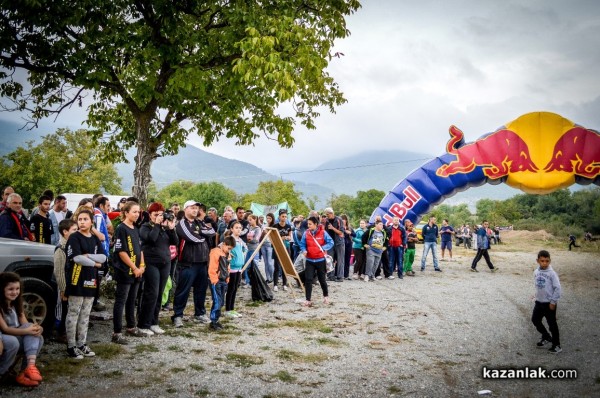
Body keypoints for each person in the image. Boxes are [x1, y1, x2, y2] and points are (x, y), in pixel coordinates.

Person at [64, 208, 105, 358]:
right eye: (79, 219)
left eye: (85, 219)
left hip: (91, 280)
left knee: (86, 313)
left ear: (91, 221)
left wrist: (89, 256)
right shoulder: (74, 237)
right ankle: (71, 346)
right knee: (74, 312)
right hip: (76, 279)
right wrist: (94, 264)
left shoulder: (94, 238)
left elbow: (103, 257)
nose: (82, 222)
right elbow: (77, 258)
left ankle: (82, 343)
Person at [172, 201, 215, 328]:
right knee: (183, 290)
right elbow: (192, 238)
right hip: (188, 263)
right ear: (185, 209)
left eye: (197, 208)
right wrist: (202, 234)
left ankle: (200, 313)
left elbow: (212, 231)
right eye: (192, 208)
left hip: (202, 262)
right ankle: (178, 315)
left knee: (201, 290)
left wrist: (200, 231)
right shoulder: (182, 223)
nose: (195, 210)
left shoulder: (199, 222)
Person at [138, 202, 178, 335]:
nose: (159, 217)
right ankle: (144, 324)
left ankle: (154, 322)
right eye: (156, 214)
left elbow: (175, 242)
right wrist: (156, 224)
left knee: (160, 293)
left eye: (161, 214)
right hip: (151, 263)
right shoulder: (145, 227)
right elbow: (151, 239)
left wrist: (171, 229)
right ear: (150, 215)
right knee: (151, 293)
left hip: (165, 263)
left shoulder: (163, 228)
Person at [0, 272, 44, 387]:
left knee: (38, 336)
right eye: (10, 289)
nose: (15, 292)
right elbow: (5, 329)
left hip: (14, 334)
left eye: (17, 288)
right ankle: (2, 372)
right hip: (3, 335)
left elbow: (25, 324)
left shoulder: (16, 303)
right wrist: (26, 331)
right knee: (13, 342)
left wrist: (37, 328)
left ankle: (26, 370)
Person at [111, 202, 145, 343]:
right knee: (121, 300)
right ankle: (116, 332)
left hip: (137, 271)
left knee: (132, 299)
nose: (137, 214)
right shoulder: (121, 228)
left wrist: (142, 265)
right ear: (126, 212)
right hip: (125, 271)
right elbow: (121, 252)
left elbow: (140, 249)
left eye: (138, 212)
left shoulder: (135, 228)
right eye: (134, 212)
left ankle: (131, 326)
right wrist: (134, 267)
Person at [53, 218, 78, 344]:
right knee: (62, 309)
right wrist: (63, 289)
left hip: (73, 283)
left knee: (70, 309)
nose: (77, 231)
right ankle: (61, 332)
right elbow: (59, 272)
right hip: (64, 286)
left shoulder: (73, 245)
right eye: (74, 230)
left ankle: (69, 331)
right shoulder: (60, 249)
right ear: (65, 232)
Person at [532, 250, 562, 353]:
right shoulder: (536, 272)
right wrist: (536, 295)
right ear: (538, 261)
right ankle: (546, 336)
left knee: (552, 325)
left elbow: (557, 288)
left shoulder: (552, 274)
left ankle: (556, 345)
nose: (544, 263)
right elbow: (538, 285)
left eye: (547, 261)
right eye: (542, 261)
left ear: (550, 261)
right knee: (535, 320)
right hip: (539, 302)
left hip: (549, 304)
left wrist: (553, 302)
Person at [299, 216, 334, 307]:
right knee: (308, 280)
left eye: (310, 224)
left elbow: (331, 242)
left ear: (316, 224)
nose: (308, 226)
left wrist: (323, 248)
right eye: (308, 224)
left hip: (320, 260)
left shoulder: (323, 232)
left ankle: (326, 296)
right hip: (309, 260)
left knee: (322, 280)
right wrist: (304, 250)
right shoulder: (306, 233)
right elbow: (302, 244)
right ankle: (308, 300)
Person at [208, 236, 236, 330]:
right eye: (228, 248)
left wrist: (227, 278)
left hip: (223, 281)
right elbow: (212, 268)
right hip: (216, 281)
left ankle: (216, 320)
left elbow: (227, 267)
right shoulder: (215, 252)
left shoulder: (226, 254)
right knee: (217, 302)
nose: (229, 251)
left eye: (230, 249)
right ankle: (213, 322)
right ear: (224, 244)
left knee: (221, 302)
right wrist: (214, 280)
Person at [224, 221, 247, 318]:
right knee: (230, 289)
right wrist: (229, 255)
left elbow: (245, 249)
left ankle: (232, 309)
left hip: (239, 268)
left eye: (240, 228)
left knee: (235, 289)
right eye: (236, 227)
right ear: (232, 229)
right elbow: (223, 248)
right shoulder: (230, 239)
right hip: (232, 268)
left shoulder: (240, 240)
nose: (239, 229)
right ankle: (227, 310)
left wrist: (243, 254)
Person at [324, 208, 345, 282]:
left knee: (340, 260)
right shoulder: (327, 221)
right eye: (326, 214)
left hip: (339, 242)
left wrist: (333, 228)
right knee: (330, 259)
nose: (326, 216)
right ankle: (330, 276)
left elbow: (341, 232)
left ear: (331, 213)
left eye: (327, 214)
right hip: (330, 243)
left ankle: (340, 277)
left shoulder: (339, 220)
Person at [273, 211, 292, 291]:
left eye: (285, 216)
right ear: (279, 217)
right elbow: (273, 238)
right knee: (277, 266)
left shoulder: (288, 226)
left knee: (285, 266)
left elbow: (290, 237)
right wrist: (282, 238)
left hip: (286, 247)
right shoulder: (275, 226)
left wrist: (287, 237)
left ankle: (284, 284)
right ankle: (275, 284)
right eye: (282, 216)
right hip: (277, 247)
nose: (284, 218)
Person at [260, 213, 275, 283]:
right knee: (265, 262)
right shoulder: (264, 225)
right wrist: (263, 232)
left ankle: (272, 277)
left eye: (270, 218)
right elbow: (261, 235)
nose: (268, 219)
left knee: (270, 262)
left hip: (270, 245)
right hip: (263, 244)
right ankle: (268, 278)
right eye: (267, 218)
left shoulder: (274, 226)